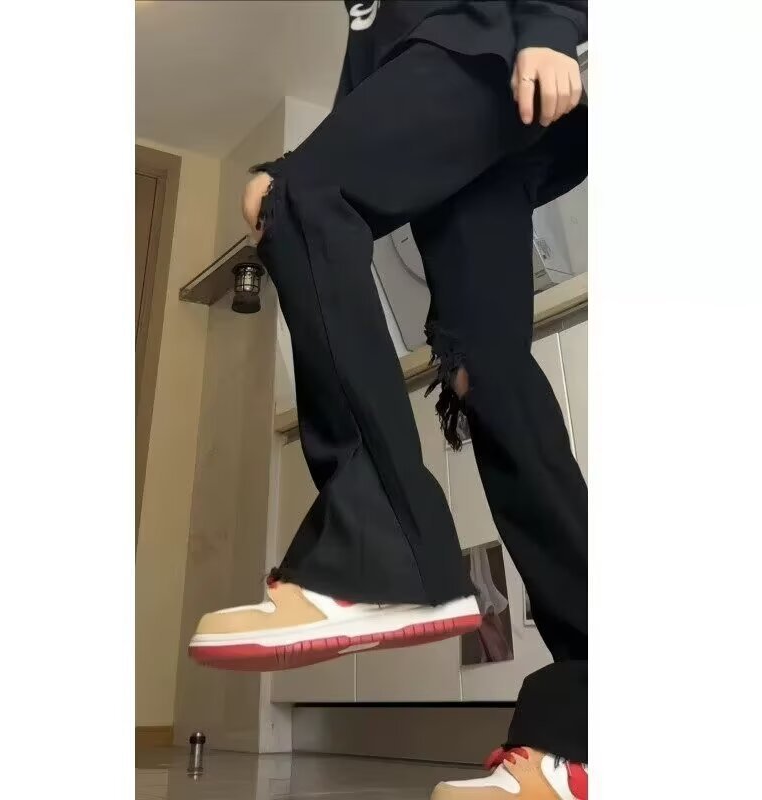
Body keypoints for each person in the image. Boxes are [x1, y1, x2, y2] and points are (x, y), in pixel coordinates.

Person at [189, 2, 588, 797]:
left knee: (297, 199)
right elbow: (371, 66)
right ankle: (587, 731)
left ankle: (379, 556)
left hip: (480, 42)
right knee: (485, 372)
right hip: (473, 88)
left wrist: (554, 23)